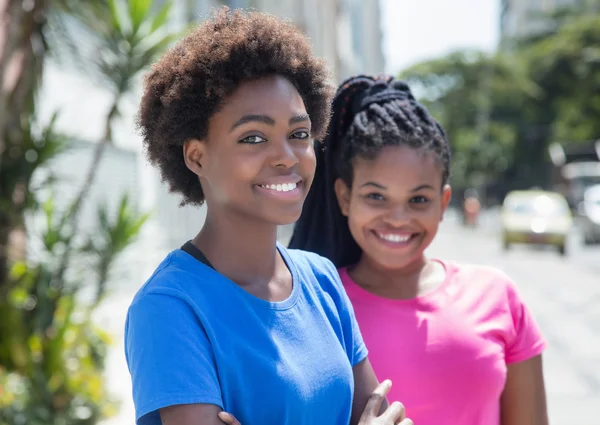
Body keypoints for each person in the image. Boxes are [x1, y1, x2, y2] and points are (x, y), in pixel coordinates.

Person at [125, 9, 412, 425]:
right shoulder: (170, 308)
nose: (286, 157)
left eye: (298, 134)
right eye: (254, 137)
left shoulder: (322, 279)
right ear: (196, 156)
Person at [289, 74, 549, 425]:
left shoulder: (498, 295)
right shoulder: (313, 304)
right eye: (376, 196)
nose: (398, 218)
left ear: (443, 202)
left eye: (419, 199)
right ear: (344, 197)